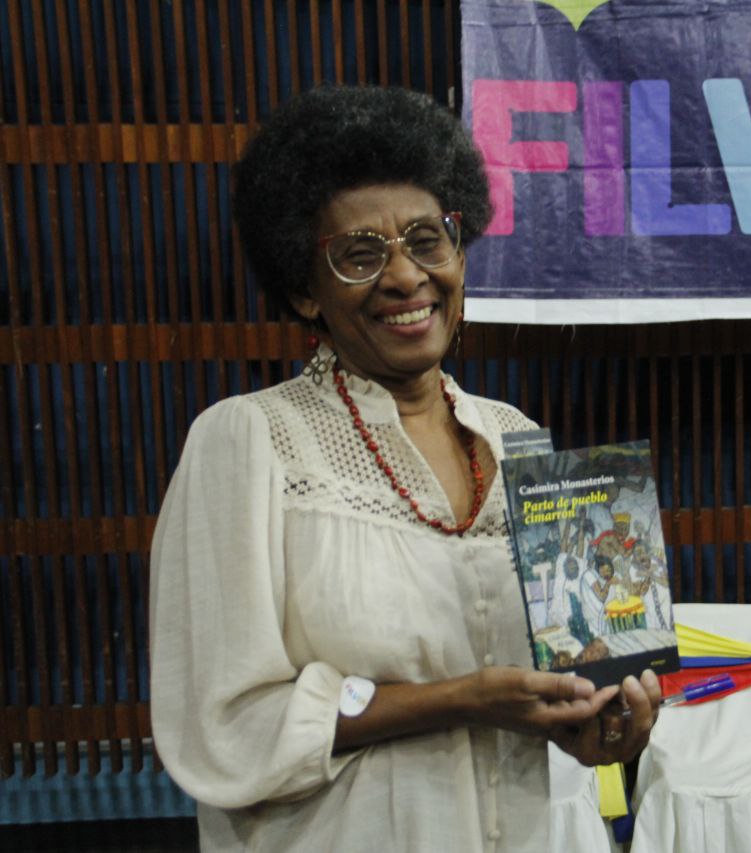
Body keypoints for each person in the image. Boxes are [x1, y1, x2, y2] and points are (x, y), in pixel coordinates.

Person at [148, 85, 661, 852]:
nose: (404, 276)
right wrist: (458, 699)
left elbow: (569, 680)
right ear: (304, 289)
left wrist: (600, 724)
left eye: (428, 239)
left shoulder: (519, 439)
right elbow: (224, 728)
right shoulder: (250, 441)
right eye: (360, 254)